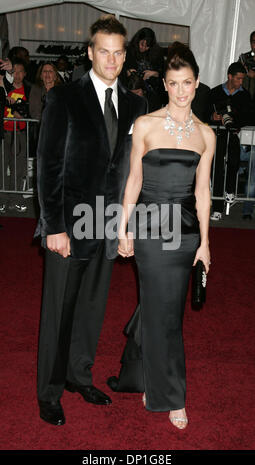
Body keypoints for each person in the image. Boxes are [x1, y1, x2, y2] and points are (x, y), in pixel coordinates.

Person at [35, 14, 147, 426]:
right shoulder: (64, 97)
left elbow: (131, 171)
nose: (112, 59)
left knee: (91, 307)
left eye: (119, 52)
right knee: (58, 313)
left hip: (107, 224)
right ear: (90, 53)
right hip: (69, 223)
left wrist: (126, 226)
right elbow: (48, 167)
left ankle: (78, 376)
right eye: (104, 51)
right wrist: (54, 227)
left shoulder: (136, 104)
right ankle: (49, 391)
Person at [114, 42, 215, 429]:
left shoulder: (206, 135)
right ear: (166, 86)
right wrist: (123, 227)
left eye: (187, 82)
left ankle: (147, 378)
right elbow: (133, 181)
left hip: (186, 235)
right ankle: (172, 396)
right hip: (150, 232)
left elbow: (203, 192)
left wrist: (205, 242)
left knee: (163, 311)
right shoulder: (146, 125)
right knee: (165, 315)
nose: (181, 90)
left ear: (197, 83)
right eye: (173, 83)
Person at [208, 62, 254, 221]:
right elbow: (205, 111)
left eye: (243, 79)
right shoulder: (214, 92)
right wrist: (213, 117)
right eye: (238, 79)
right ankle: (217, 207)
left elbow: (249, 116)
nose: (241, 82)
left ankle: (230, 190)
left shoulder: (245, 95)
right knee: (217, 169)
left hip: (234, 136)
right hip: (217, 136)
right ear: (230, 76)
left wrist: (235, 120)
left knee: (234, 164)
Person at [0, 59, 30, 214]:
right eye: (14, 71)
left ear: (25, 74)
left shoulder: (30, 90)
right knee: (2, 167)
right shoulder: (5, 87)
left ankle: (16, 199)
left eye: (20, 71)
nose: (17, 74)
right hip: (4, 133)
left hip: (20, 133)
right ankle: (2, 200)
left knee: (18, 168)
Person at [121, 27, 165, 109]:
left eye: (147, 46)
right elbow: (119, 72)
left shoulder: (157, 54)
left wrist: (155, 73)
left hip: (152, 95)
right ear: (137, 40)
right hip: (133, 94)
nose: (144, 48)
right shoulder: (129, 52)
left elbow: (165, 73)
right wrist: (127, 71)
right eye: (142, 44)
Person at [238, 30, 255, 100]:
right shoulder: (244, 58)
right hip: (244, 100)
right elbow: (234, 75)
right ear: (251, 44)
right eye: (254, 42)